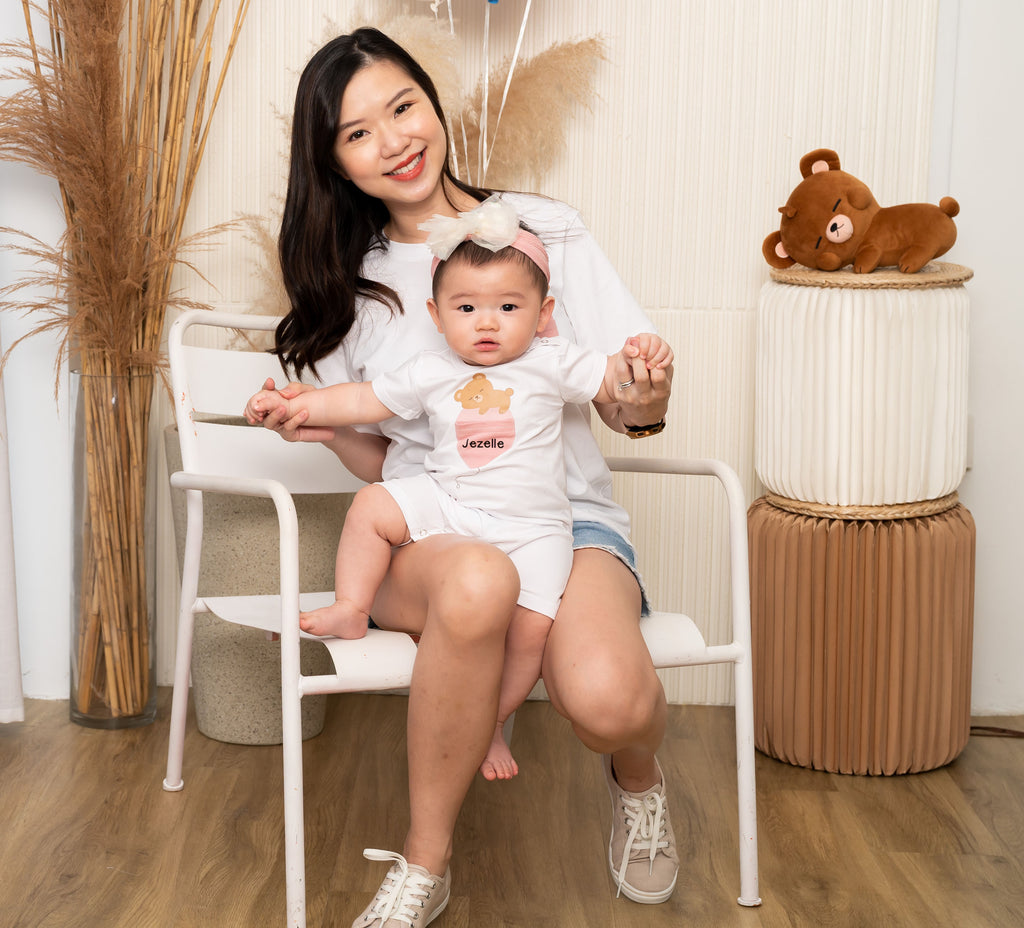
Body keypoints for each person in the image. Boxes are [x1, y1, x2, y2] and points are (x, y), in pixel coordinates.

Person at [261, 27, 678, 927]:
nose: (394, 141)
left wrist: (644, 395)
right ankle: (425, 862)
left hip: (563, 520)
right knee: (479, 577)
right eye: (358, 133)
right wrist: (325, 433)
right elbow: (383, 458)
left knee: (609, 701)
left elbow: (621, 401)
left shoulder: (545, 230)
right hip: (435, 533)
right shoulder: (347, 285)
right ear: (332, 160)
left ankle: (639, 777)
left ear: (432, 102)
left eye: (403, 107)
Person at [245, 197, 674, 783]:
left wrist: (641, 363)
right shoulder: (431, 369)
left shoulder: (553, 360)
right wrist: (300, 406)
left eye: (508, 307)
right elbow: (361, 401)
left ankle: (494, 720)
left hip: (536, 529)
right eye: (467, 308)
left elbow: (617, 383)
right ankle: (351, 607)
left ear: (543, 313)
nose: (487, 322)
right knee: (373, 506)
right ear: (437, 314)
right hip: (449, 508)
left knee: (530, 633)